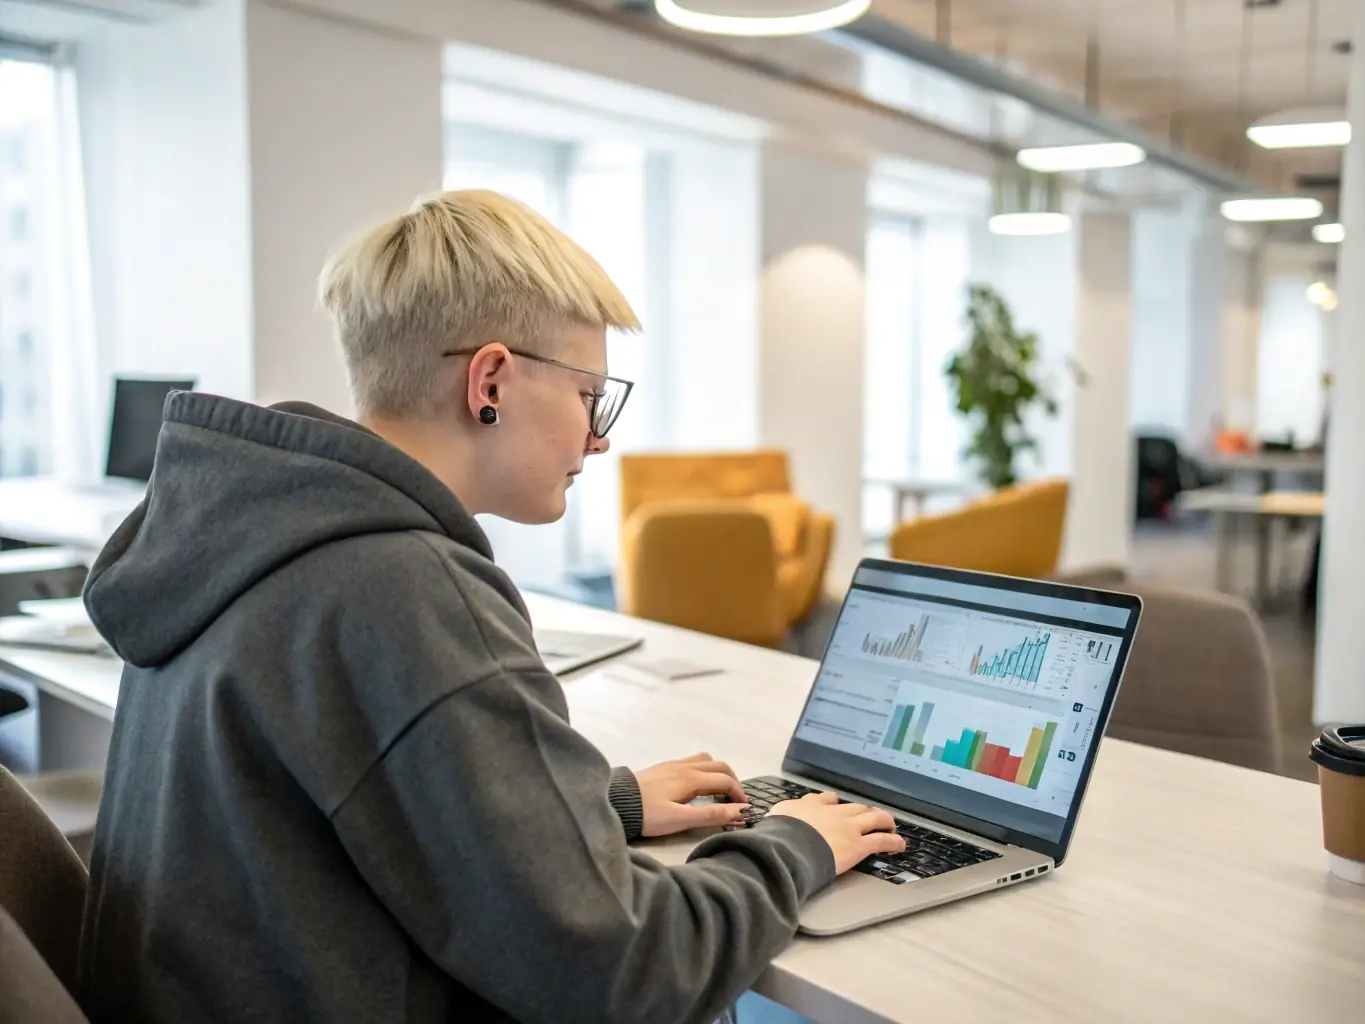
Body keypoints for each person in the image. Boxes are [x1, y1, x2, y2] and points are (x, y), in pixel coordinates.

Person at [77, 190, 905, 1023]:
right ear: (491, 381)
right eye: (589, 396)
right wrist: (793, 846)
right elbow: (631, 975)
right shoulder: (404, 589)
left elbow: (341, 811)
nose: (599, 439)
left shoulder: (249, 538)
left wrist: (596, 807)